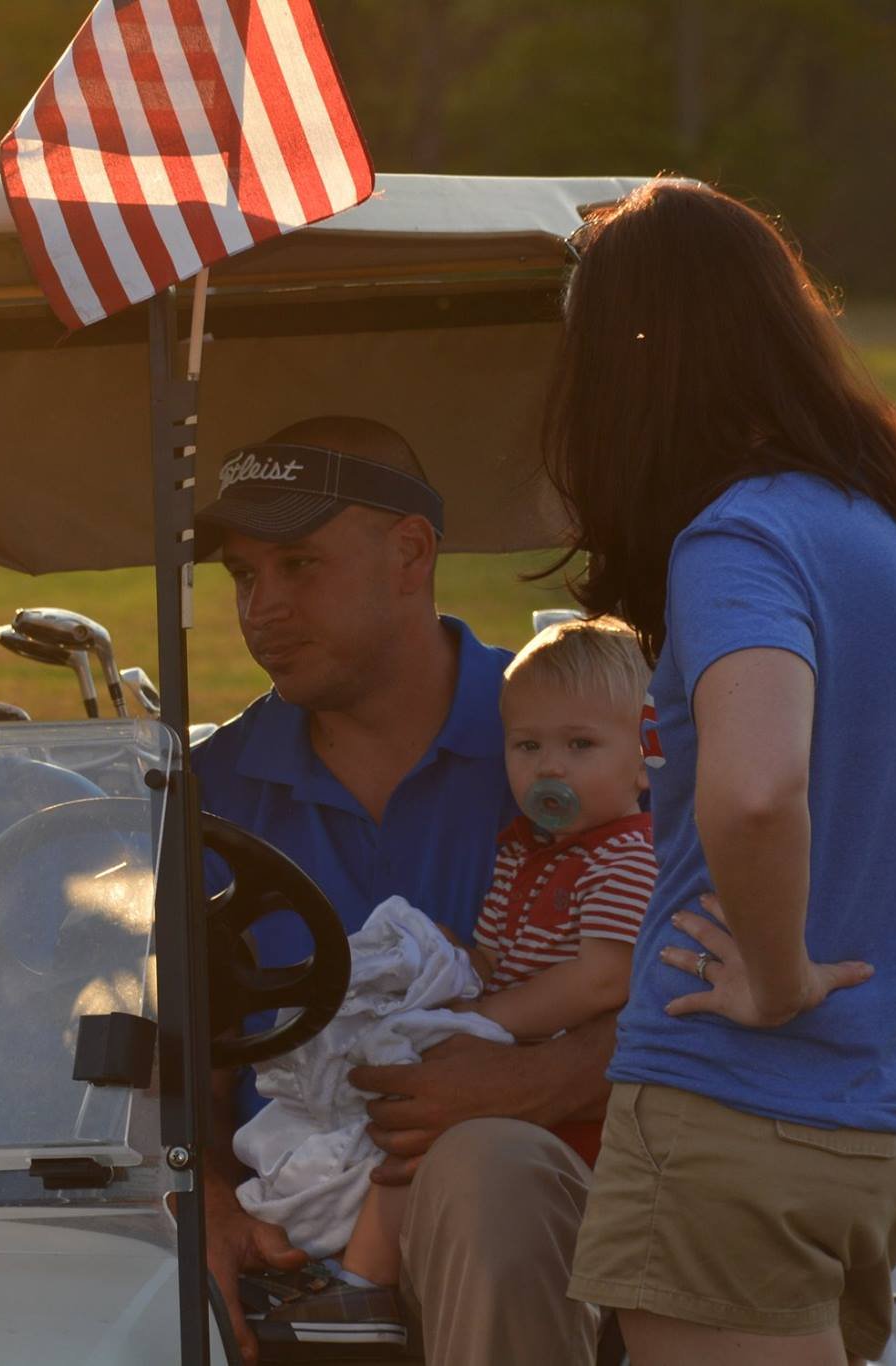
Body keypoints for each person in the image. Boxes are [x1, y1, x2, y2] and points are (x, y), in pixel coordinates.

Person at [542, 178, 896, 1364]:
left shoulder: (736, 538)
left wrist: (775, 971)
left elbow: (756, 786)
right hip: (886, 1125)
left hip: (732, 1113)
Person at [191, 415, 612, 1365]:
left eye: (299, 565)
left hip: (555, 1200)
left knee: (486, 1166)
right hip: (284, 1231)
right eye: (244, 577)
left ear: (411, 554)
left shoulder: (573, 744)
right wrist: (205, 1200)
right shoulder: (204, 791)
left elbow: (705, 983)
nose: (262, 610)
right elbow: (176, 1064)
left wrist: (541, 1077)